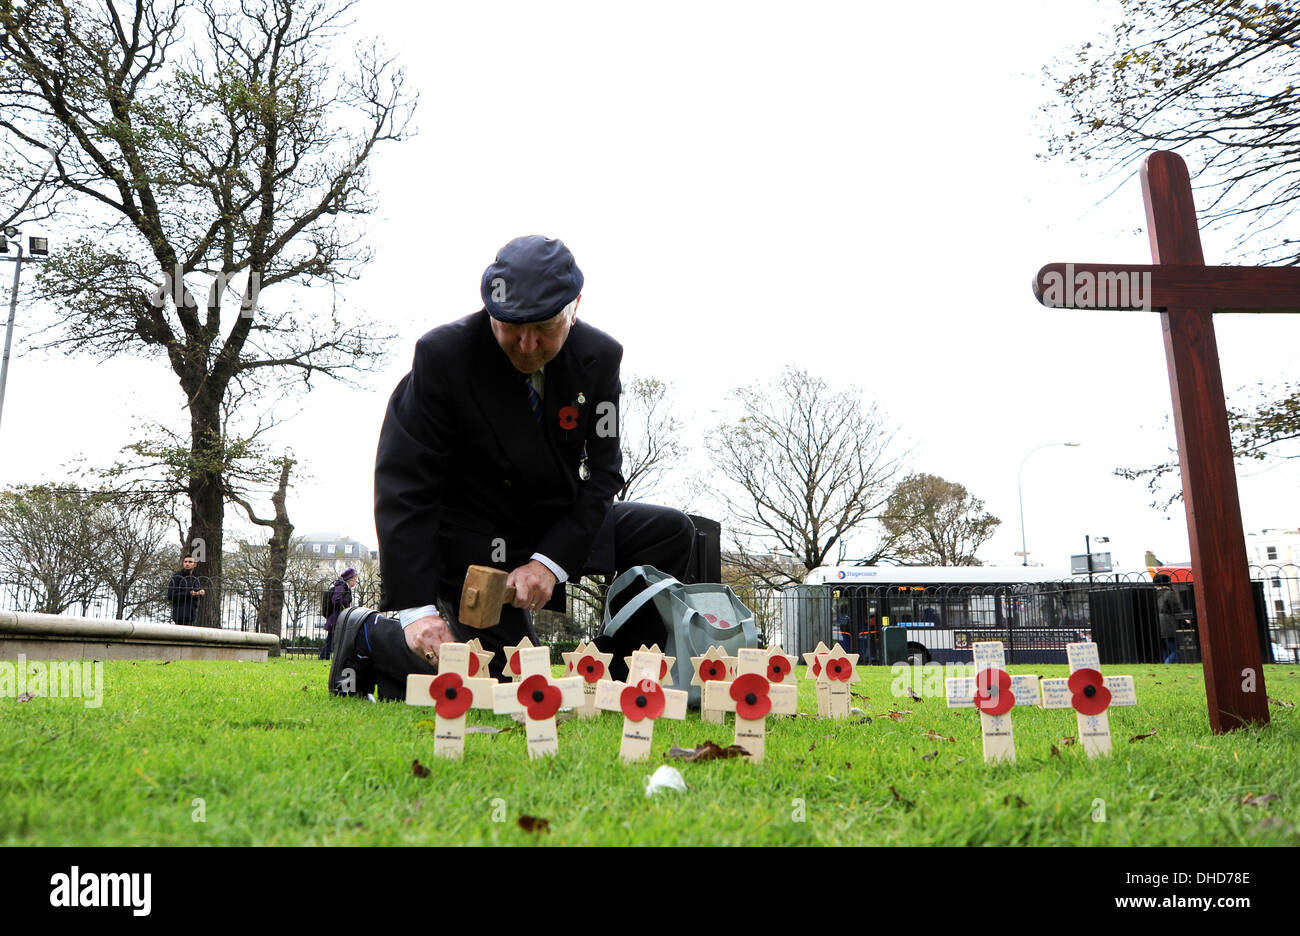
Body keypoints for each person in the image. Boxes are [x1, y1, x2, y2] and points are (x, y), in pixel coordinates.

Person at [330, 235, 696, 700]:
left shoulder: (600, 358)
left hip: (552, 524)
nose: (526, 345)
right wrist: (416, 609)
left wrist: (549, 563)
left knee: (671, 532)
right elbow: (405, 484)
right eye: (511, 327)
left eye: (544, 327)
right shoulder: (443, 357)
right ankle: (367, 633)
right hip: (474, 539)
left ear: (574, 307)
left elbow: (603, 475)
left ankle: (610, 675)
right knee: (501, 682)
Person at [319, 568, 358, 660]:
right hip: (336, 618)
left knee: (334, 639)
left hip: (339, 617)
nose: (356, 582)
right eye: (355, 580)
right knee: (331, 639)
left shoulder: (345, 587)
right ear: (350, 579)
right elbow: (336, 600)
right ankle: (324, 657)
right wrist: (345, 603)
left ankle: (327, 656)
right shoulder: (341, 587)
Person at [166, 554, 204, 626]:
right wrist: (189, 593)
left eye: (190, 562)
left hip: (192, 615)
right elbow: (170, 595)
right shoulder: (177, 577)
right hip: (179, 614)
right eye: (185, 562)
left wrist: (199, 593)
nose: (187, 564)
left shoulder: (195, 577)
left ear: (195, 564)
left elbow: (196, 595)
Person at [1155, 573, 1183, 664]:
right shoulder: (1169, 593)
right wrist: (1183, 618)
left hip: (1156, 624)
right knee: (1176, 651)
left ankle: (1166, 668)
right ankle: (1167, 666)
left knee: (1165, 650)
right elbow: (1176, 609)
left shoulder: (1153, 593)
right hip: (1167, 624)